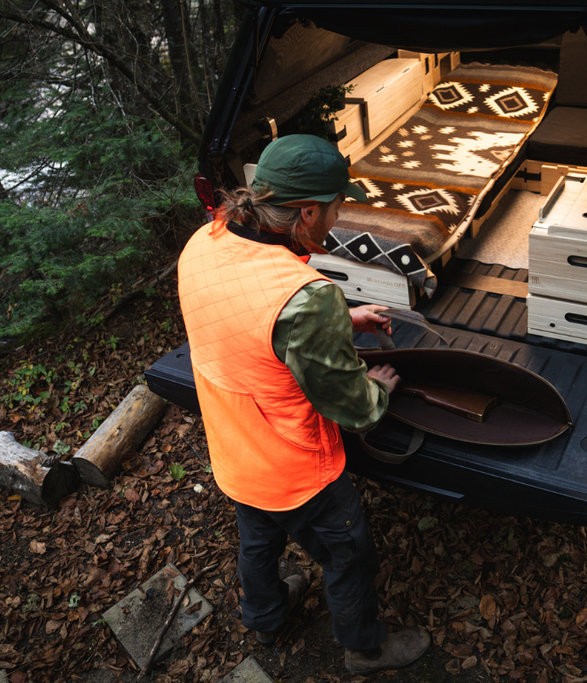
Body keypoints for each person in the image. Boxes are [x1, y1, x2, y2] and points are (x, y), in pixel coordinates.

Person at [177, 134, 430, 674]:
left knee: (258, 542)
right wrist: (380, 382)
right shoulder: (305, 295)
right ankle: (365, 648)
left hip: (233, 451)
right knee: (349, 553)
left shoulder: (205, 239)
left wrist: (340, 319)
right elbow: (356, 409)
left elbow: (248, 324)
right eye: (338, 206)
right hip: (295, 469)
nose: (339, 217)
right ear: (308, 212)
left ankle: (265, 619)